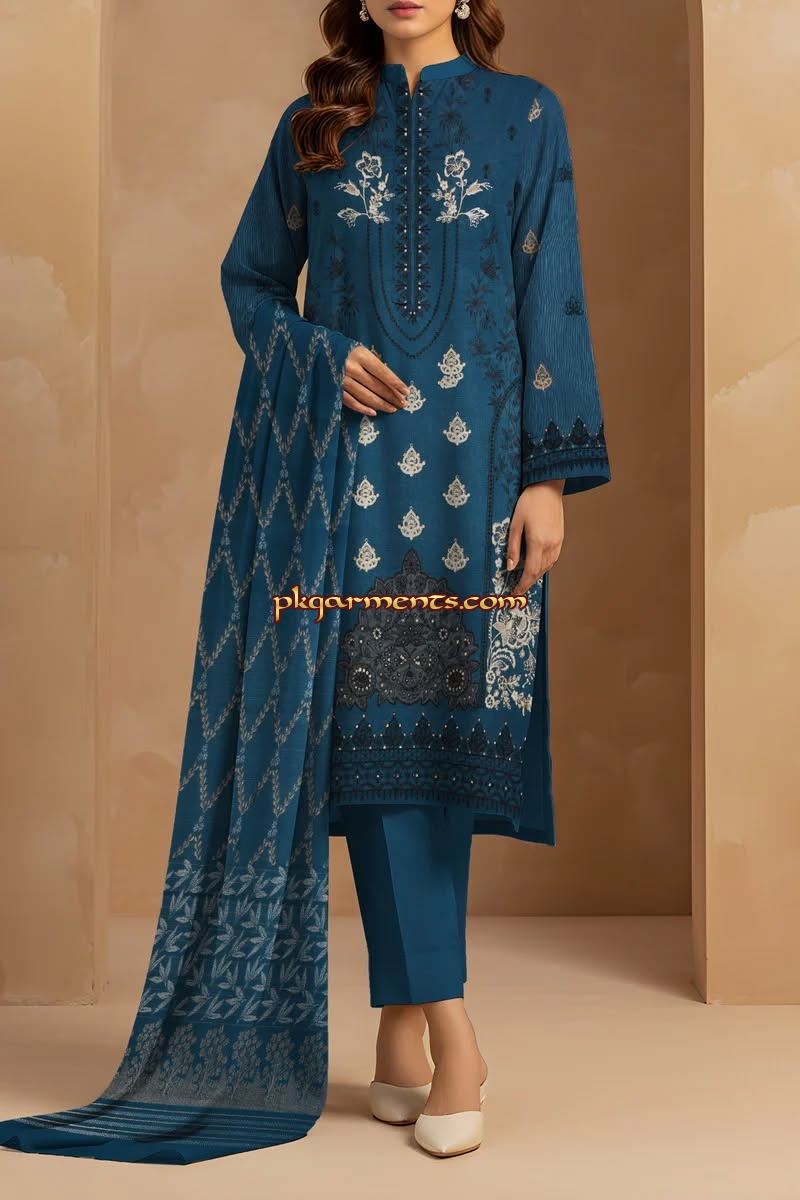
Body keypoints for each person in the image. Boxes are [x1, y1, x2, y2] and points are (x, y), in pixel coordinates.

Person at [0, 0, 610, 1166]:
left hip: (478, 486)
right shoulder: (313, 128)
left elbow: (554, 296)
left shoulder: (525, 117)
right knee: (369, 746)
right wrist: (320, 358)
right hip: (343, 490)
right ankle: (451, 1035)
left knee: (438, 748)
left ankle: (398, 1028)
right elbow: (248, 284)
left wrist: (549, 478)